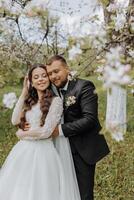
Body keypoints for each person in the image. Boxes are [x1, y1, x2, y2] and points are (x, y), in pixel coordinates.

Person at [0, 64, 81, 200]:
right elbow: (14, 120)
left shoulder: (56, 101)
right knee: (20, 189)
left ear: (48, 79)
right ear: (31, 81)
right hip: (23, 151)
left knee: (41, 191)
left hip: (44, 153)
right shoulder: (30, 101)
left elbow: (46, 132)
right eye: (36, 77)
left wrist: (23, 134)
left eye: (44, 76)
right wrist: (24, 92)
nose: (41, 79)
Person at [45, 55, 110, 200]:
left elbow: (89, 119)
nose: (53, 76)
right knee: (62, 189)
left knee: (84, 193)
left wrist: (59, 130)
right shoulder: (50, 90)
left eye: (56, 71)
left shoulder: (84, 86)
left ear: (67, 69)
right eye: (50, 73)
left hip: (82, 148)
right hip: (57, 149)